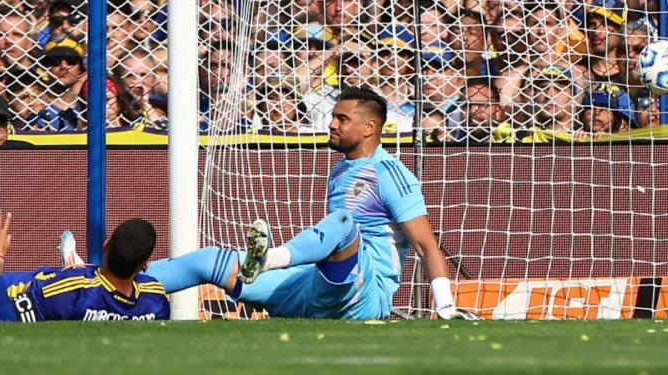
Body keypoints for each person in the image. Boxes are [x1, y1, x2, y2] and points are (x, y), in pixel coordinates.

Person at [140, 87, 479, 320]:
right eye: (333, 116)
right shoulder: (340, 171)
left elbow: (426, 245)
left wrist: (445, 305)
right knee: (207, 261)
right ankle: (109, 287)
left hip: (365, 296)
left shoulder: (390, 173)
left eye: (342, 119)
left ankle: (267, 260)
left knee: (343, 223)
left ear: (369, 127)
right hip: (315, 285)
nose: (331, 123)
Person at [0, 209, 169, 322]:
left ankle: (70, 264)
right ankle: (72, 263)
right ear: (144, 265)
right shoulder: (156, 298)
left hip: (3, 292)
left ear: (105, 245)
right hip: (76, 282)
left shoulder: (69, 291)